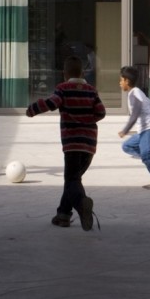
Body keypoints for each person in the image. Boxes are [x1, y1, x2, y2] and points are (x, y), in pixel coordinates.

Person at [26, 55, 106, 231]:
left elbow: (51, 103)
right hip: (89, 145)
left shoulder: (63, 89)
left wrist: (32, 109)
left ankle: (81, 204)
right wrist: (86, 120)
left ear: (64, 73)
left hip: (72, 144)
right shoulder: (91, 90)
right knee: (73, 180)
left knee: (71, 180)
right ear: (83, 72)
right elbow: (101, 112)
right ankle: (63, 215)